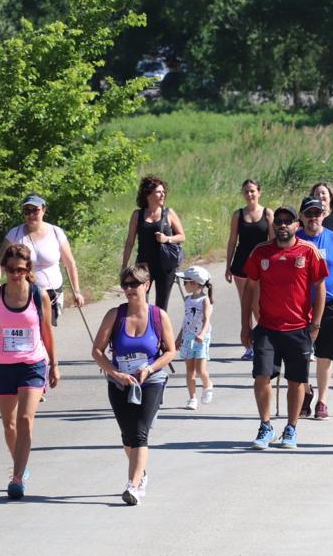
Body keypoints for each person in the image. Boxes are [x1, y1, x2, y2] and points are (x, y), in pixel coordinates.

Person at [0, 243, 58, 500]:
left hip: (32, 364)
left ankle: (17, 478)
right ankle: (21, 462)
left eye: (20, 270)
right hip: (3, 366)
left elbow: (47, 333)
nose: (15, 274)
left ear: (28, 269)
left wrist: (55, 365)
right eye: (10, 270)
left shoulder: (38, 295)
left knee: (25, 420)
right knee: (9, 426)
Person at [241, 206, 328, 450]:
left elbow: (320, 287)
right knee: (262, 376)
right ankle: (265, 425)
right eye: (278, 221)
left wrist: (316, 324)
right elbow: (249, 288)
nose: (282, 225)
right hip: (267, 327)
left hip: (299, 327)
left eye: (288, 221)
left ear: (296, 225)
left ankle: (291, 427)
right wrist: (245, 324)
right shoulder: (261, 252)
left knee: (296, 380)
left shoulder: (308, 251)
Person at [90, 264, 176, 506]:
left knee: (140, 433)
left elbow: (170, 351)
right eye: (125, 285)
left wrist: (149, 368)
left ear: (146, 285)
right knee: (128, 436)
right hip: (120, 382)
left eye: (134, 284)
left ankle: (133, 485)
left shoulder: (158, 316)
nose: (129, 289)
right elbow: (97, 351)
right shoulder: (115, 315)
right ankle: (141, 473)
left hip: (151, 380)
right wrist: (115, 373)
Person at [296, 196, 333, 420]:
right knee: (298, 355)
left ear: (324, 215)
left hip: (331, 305)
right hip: (300, 306)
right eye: (309, 214)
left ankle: (322, 400)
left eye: (317, 213)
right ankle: (305, 392)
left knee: (324, 355)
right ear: (301, 217)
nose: (313, 218)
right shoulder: (295, 240)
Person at [0, 195, 85, 324]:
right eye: (27, 211)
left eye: (35, 210)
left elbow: (70, 263)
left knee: (45, 330)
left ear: (44, 210)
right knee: (32, 329)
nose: (31, 215)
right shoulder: (15, 234)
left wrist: (77, 291)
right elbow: (0, 262)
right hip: (25, 291)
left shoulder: (56, 232)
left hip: (52, 292)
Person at [224, 179, 274, 360]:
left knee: (258, 305)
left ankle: (265, 340)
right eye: (246, 191)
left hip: (263, 266)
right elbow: (232, 241)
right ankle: (249, 346)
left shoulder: (268, 213)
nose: (249, 194)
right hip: (241, 266)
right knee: (246, 305)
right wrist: (228, 266)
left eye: (252, 191)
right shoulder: (238, 215)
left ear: (259, 192)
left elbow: (274, 241)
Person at [121, 176, 187, 310]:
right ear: (148, 194)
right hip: (143, 267)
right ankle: (144, 330)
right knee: (140, 305)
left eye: (164, 192)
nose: (163, 195)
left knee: (161, 307)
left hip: (165, 267)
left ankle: (159, 330)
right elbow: (129, 242)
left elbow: (182, 236)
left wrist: (167, 239)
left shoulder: (168, 213)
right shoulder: (137, 215)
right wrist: (124, 265)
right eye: (159, 192)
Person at [176, 266, 213, 410]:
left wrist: (202, 334)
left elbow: (206, 319)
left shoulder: (205, 301)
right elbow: (186, 321)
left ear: (195, 283)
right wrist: (179, 338)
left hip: (201, 338)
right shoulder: (187, 299)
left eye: (185, 281)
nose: (183, 284)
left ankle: (207, 384)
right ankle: (192, 398)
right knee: (190, 370)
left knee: (200, 370)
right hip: (188, 337)